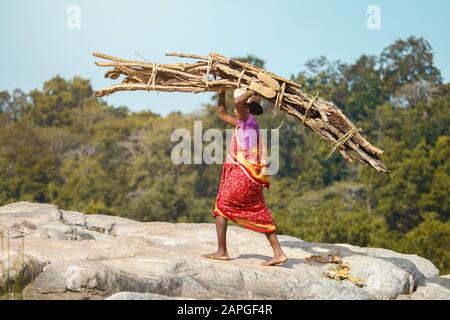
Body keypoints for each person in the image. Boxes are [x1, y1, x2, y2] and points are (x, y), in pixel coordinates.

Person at [202, 88, 288, 266]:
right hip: (251, 178)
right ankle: (278, 253)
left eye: (239, 107)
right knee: (259, 211)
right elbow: (222, 113)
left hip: (243, 175)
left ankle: (222, 251)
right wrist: (221, 93)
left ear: (246, 108)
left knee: (221, 206)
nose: (235, 110)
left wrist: (251, 90)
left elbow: (238, 103)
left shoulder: (249, 123)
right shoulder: (242, 124)